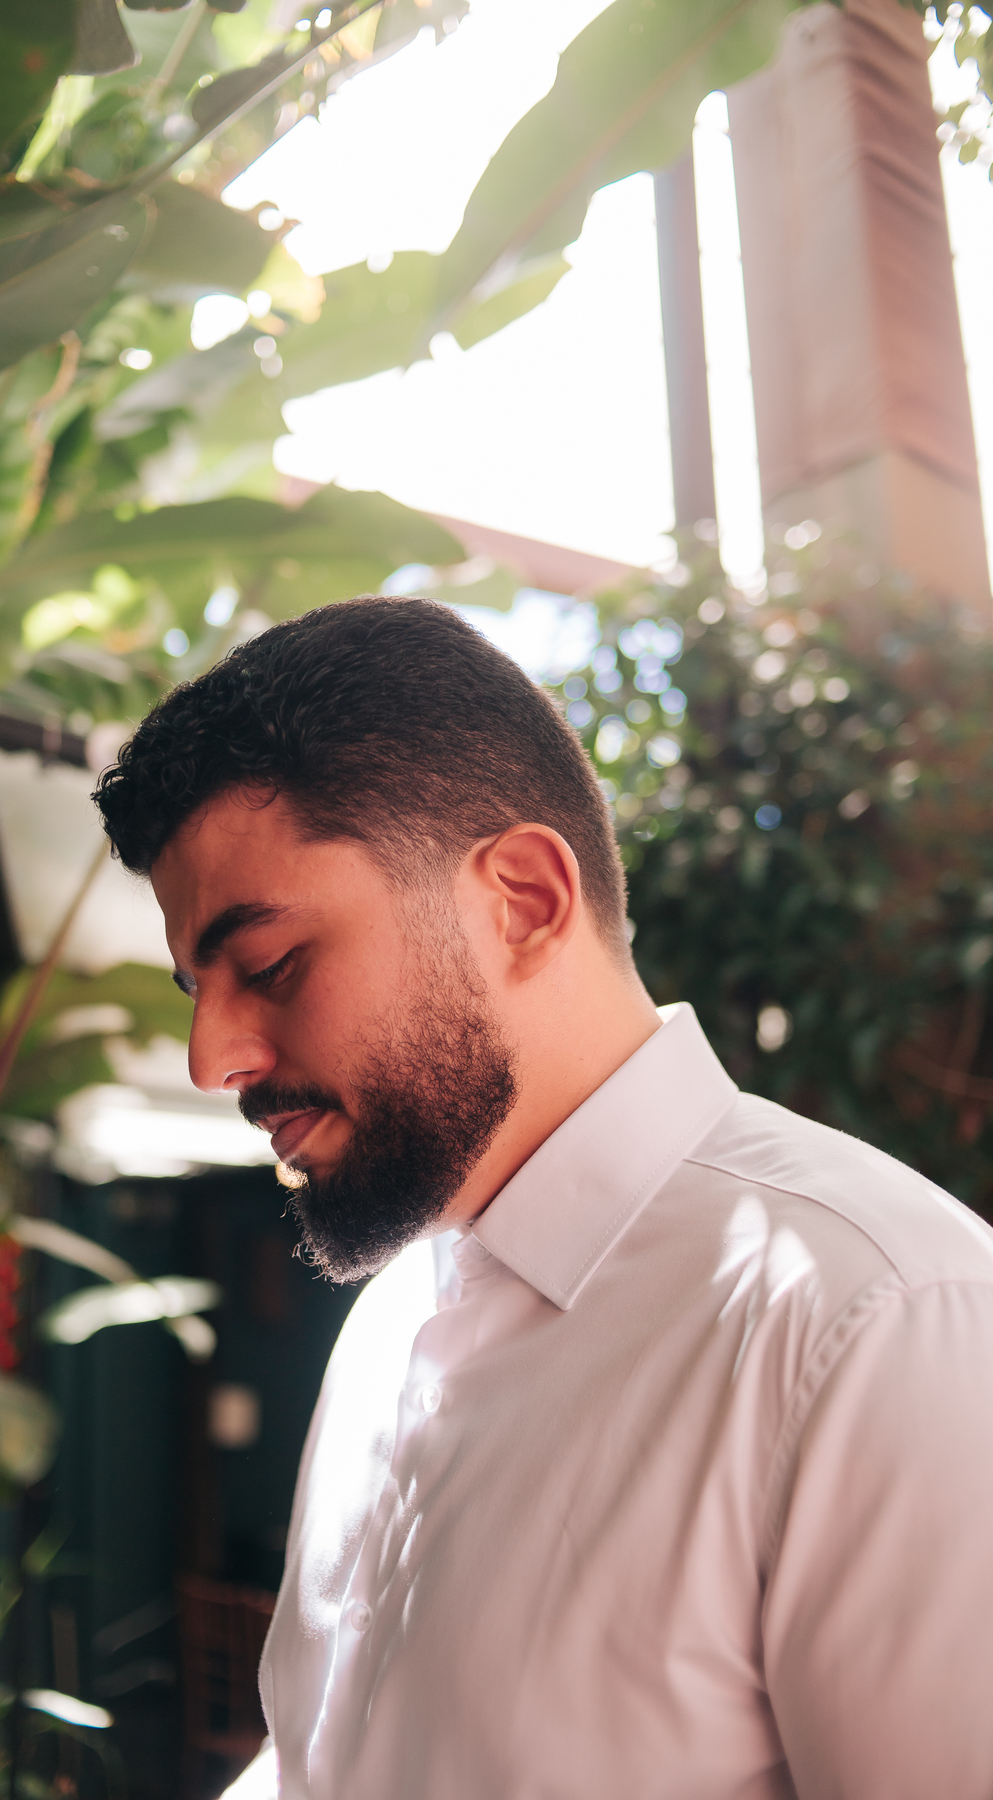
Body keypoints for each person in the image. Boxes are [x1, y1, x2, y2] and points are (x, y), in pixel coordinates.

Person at [94, 595, 993, 1800]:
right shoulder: (390, 1319)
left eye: (270, 964)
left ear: (521, 900)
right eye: (196, 988)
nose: (213, 1060)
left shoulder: (880, 1322)